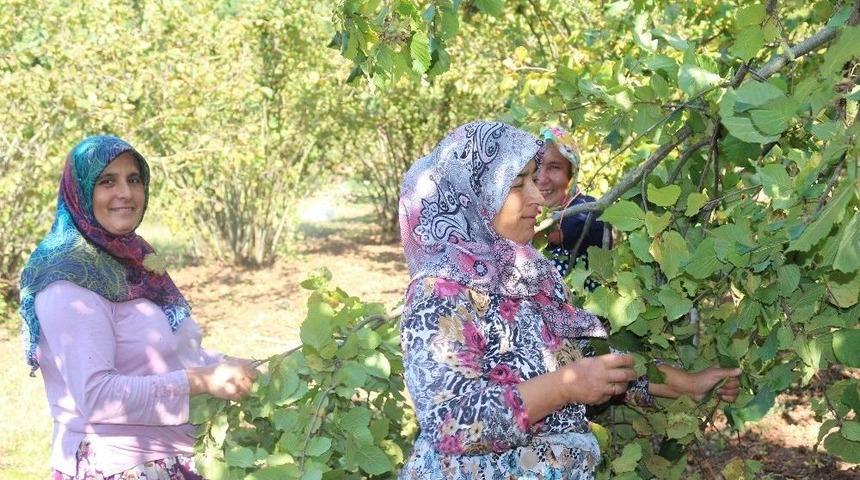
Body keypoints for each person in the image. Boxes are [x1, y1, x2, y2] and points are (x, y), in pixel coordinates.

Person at [397, 121, 741, 479]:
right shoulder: (439, 293)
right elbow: (452, 421)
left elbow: (590, 363)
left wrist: (689, 384)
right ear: (474, 193)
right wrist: (564, 387)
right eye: (518, 183)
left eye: (533, 179)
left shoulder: (530, 275)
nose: (537, 195)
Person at [19, 135, 258, 479]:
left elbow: (165, 355)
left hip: (172, 457)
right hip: (120, 466)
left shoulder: (130, 259)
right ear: (80, 191)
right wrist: (203, 380)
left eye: (133, 179)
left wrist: (226, 365)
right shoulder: (68, 279)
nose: (125, 193)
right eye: (107, 181)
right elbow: (97, 395)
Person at [536, 126, 604, 282]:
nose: (542, 178)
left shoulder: (589, 211)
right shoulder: (520, 212)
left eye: (554, 167)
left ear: (571, 172)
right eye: (537, 166)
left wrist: (559, 233)